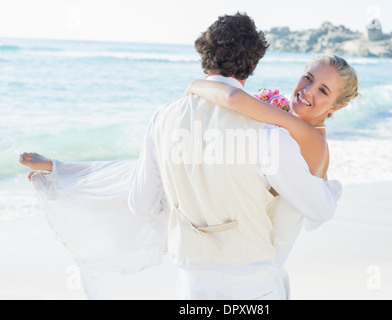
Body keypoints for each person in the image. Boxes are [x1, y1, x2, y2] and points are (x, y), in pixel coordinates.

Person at [19, 13, 354, 300]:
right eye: (309, 79)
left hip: (191, 284)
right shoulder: (268, 133)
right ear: (253, 63)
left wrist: (188, 213)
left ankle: (59, 171)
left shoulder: (163, 118)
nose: (308, 89)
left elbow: (140, 201)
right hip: (253, 284)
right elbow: (319, 208)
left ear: (204, 54)